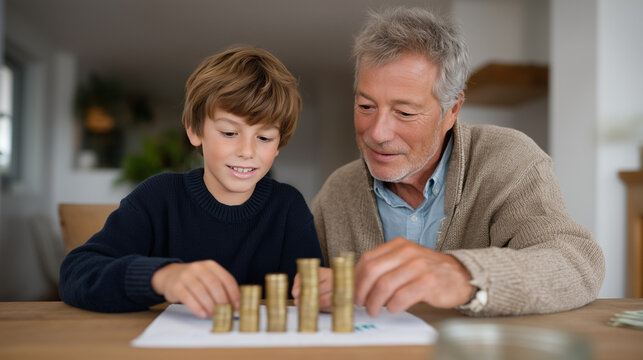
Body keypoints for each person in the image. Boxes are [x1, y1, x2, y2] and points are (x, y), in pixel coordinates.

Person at [308, 7, 605, 316]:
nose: (377, 132)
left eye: (405, 113)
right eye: (365, 105)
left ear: (452, 110)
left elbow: (577, 264)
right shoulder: (338, 191)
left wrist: (462, 274)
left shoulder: (509, 159)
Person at [59, 46, 323, 318]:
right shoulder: (158, 198)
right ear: (195, 131)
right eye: (230, 132)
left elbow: (312, 293)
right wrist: (163, 277)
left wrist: (323, 291)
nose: (247, 151)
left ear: (279, 143)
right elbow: (76, 272)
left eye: (264, 138)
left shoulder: (288, 208)